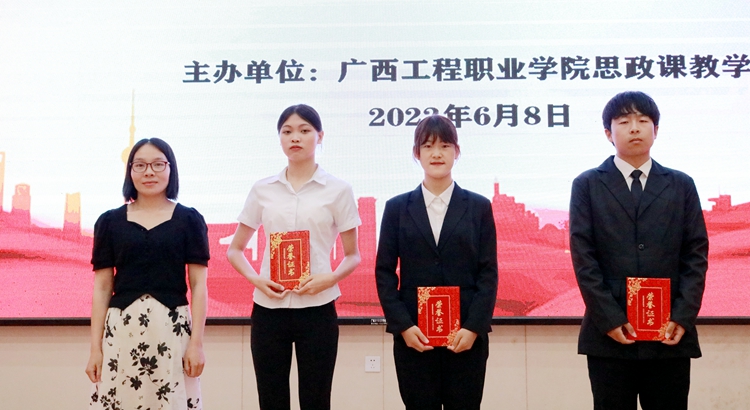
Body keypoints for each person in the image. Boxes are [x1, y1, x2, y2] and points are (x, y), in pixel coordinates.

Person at [569, 91, 709, 410]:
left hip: (669, 332)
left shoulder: (681, 184)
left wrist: (683, 316)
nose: (634, 128)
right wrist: (610, 319)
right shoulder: (587, 184)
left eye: (643, 121)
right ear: (608, 133)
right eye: (624, 121)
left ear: (655, 130)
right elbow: (583, 257)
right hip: (610, 335)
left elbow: (695, 255)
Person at [226, 104, 361, 410]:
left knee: (316, 399)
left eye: (304, 130)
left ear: (320, 136)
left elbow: (353, 256)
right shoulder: (263, 189)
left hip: (318, 308)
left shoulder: (338, 189)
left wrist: (330, 278)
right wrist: (257, 280)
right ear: (280, 139)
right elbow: (234, 250)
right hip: (269, 309)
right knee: (271, 399)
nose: (295, 137)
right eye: (287, 131)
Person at [375, 114, 498, 410]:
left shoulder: (479, 207)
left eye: (445, 145)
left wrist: (474, 327)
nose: (437, 153)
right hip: (415, 338)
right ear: (416, 153)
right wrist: (404, 326)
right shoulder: (396, 208)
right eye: (428, 146)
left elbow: (488, 272)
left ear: (457, 151)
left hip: (465, 338)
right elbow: (384, 272)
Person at [85, 138, 210, 410]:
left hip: (172, 330)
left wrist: (197, 344)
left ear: (171, 168)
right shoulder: (109, 222)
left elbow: (199, 285)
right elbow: (102, 287)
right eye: (140, 165)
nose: (149, 172)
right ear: (130, 171)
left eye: (158, 164)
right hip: (122, 330)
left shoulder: (189, 220)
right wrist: (95, 349)